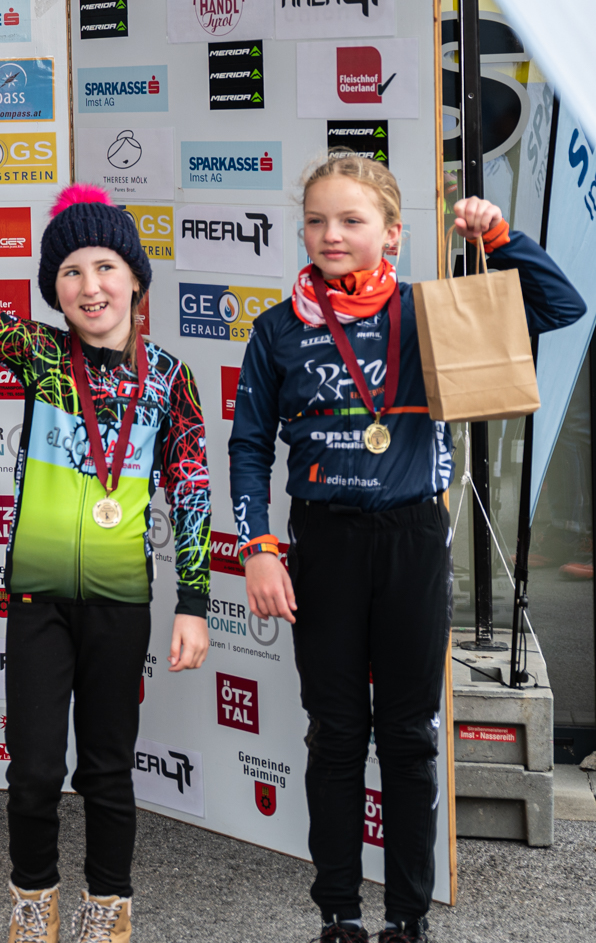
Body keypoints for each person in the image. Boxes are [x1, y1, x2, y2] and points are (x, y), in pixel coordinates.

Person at [230, 156, 584, 943]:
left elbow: (562, 307)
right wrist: (257, 547)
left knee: (407, 734)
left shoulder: (433, 312)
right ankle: (339, 913)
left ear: (392, 233)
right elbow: (249, 446)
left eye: (351, 220)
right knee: (334, 733)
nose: (331, 234)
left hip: (413, 539)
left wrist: (499, 238)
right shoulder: (279, 329)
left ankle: (407, 918)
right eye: (316, 220)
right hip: (322, 543)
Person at [0, 183, 212, 943]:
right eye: (70, 272)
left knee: (106, 767)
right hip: (37, 598)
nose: (90, 285)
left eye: (106, 266)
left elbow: (192, 487)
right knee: (34, 769)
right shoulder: (43, 355)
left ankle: (108, 902)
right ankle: (32, 895)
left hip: (120, 600)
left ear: (136, 279)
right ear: (55, 291)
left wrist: (193, 602)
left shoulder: (169, 377)